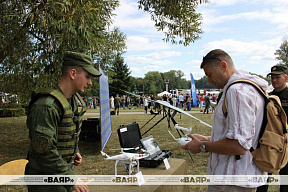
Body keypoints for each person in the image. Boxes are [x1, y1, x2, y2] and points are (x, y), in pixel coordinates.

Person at [182, 49, 268, 192]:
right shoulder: (251, 87)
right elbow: (245, 135)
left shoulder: (236, 91)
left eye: (209, 74)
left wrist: (203, 146)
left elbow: (239, 146)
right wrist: (208, 138)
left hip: (232, 180)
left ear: (223, 66)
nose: (209, 80)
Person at [25, 51, 102, 192]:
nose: (90, 83)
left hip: (61, 175)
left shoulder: (72, 102)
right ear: (73, 74)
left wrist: (74, 150)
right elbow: (44, 151)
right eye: (87, 77)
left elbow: (65, 132)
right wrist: (70, 177)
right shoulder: (46, 106)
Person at [257, 64, 288, 192]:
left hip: (286, 142)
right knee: (264, 177)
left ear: (286, 78)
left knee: (285, 178)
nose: (274, 80)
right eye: (272, 78)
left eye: (277, 77)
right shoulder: (267, 97)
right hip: (270, 142)